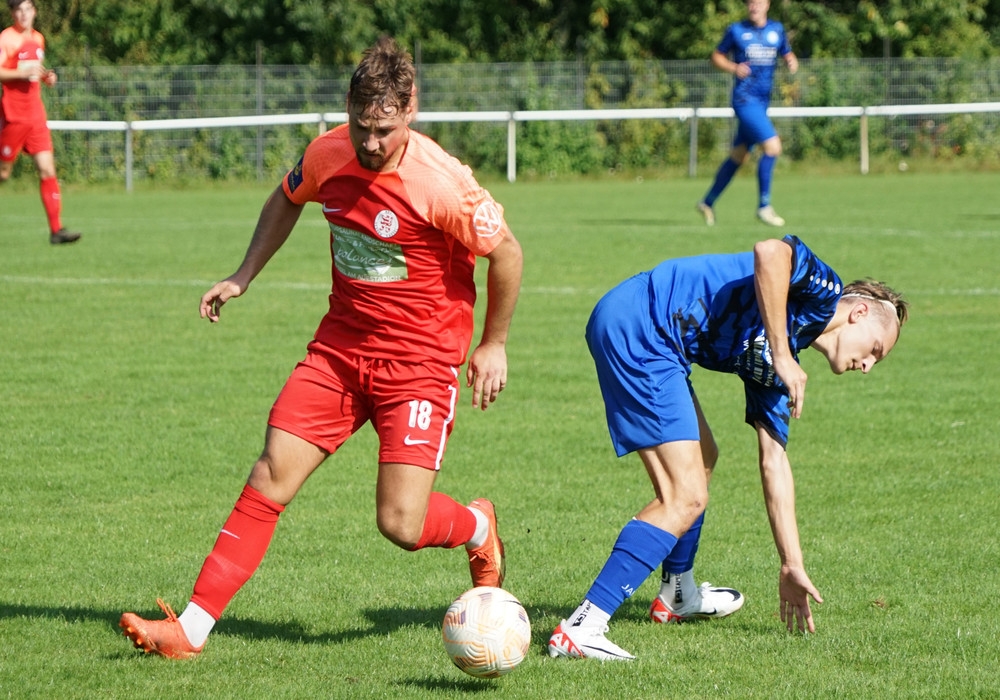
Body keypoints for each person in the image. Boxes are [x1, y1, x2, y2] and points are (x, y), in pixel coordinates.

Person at [119, 37, 523, 660]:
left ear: (411, 109)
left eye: (384, 130)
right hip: (340, 349)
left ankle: (477, 526)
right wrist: (243, 274)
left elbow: (507, 253)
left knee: (400, 523)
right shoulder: (328, 153)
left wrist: (493, 343)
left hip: (418, 364)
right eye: (361, 126)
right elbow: (287, 198)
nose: (370, 143)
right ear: (348, 109)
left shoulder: (444, 184)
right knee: (271, 473)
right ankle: (190, 629)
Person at [548, 235, 908, 660]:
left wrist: (791, 563)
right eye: (875, 350)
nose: (867, 366)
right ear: (859, 313)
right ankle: (583, 627)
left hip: (657, 340)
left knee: (704, 460)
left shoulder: (781, 364)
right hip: (643, 325)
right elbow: (770, 251)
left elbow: (774, 462)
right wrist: (781, 354)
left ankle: (678, 593)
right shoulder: (822, 290)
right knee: (684, 496)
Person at [697, 0, 798, 228]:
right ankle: (764, 206)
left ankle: (707, 202)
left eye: (758, 2)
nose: (754, 6)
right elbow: (716, 56)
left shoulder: (777, 30)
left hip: (762, 102)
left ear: (767, 5)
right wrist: (734, 67)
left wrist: (791, 60)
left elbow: (786, 52)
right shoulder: (736, 30)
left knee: (739, 156)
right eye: (750, 2)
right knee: (773, 147)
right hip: (745, 101)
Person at [0, 0, 79, 244]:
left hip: (35, 115)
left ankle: (56, 231)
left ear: (34, 12)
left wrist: (47, 77)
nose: (23, 14)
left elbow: (35, 69)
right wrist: (22, 74)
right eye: (18, 10)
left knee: (47, 169)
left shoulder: (38, 38)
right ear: (12, 13)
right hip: (13, 115)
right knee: (3, 173)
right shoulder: (6, 38)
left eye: (27, 9)